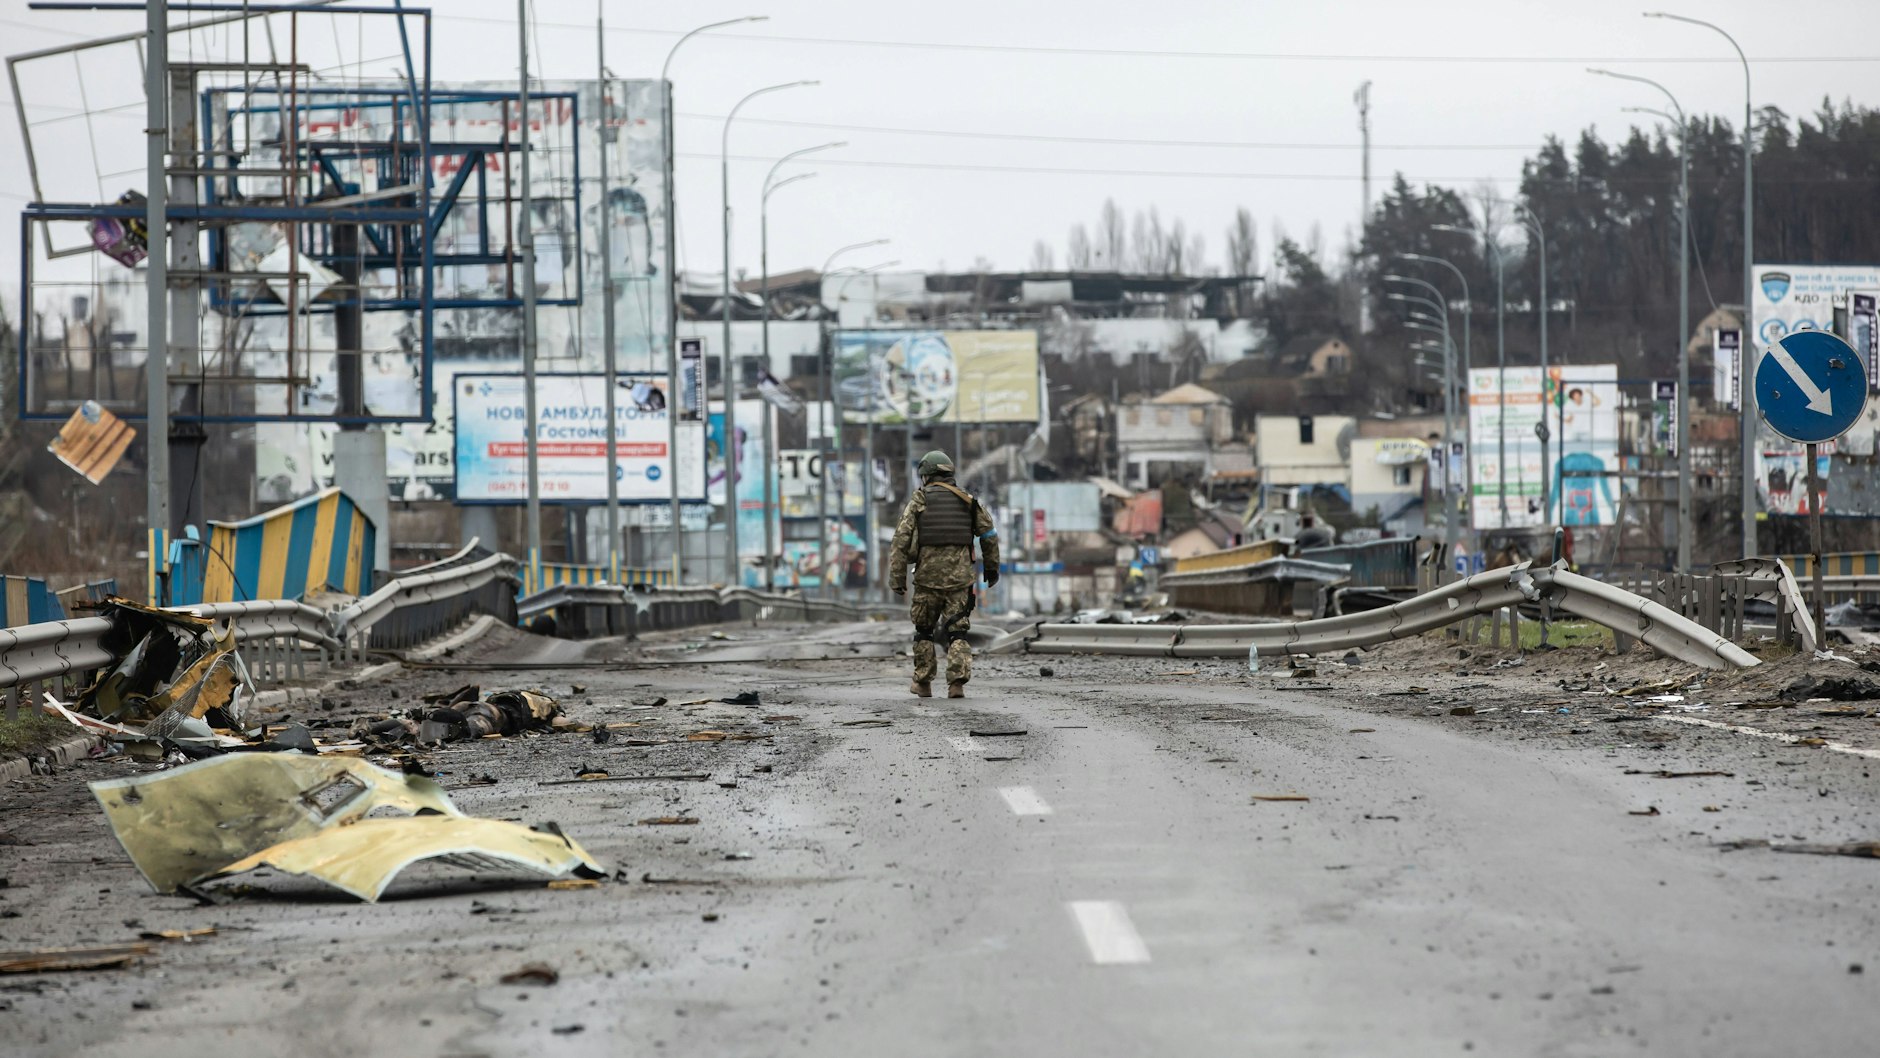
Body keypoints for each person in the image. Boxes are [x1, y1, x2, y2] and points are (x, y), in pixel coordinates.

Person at [889, 450, 999, 698]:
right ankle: (956, 684)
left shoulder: (919, 500)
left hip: (927, 580)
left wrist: (897, 578)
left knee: (924, 631)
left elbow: (900, 540)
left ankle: (923, 683)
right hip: (960, 580)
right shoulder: (968, 501)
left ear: (926, 476)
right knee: (958, 631)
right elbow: (989, 535)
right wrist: (992, 569)